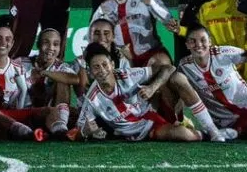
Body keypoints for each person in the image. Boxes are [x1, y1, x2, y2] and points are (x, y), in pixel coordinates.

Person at [74, 43, 230, 142]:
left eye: (104, 65)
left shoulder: (128, 75)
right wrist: (85, 131)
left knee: (178, 79)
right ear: (90, 72)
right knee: (183, 134)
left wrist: (152, 87)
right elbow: (77, 131)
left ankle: (212, 131)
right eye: (96, 67)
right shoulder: (92, 98)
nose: (102, 70)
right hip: (138, 133)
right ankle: (195, 129)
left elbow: (169, 68)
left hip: (152, 116)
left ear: (112, 64)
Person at [0, 16, 49, 142]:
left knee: (48, 111)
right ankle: (25, 132)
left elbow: (21, 107)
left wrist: (24, 90)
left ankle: (60, 131)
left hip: (13, 115)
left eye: (8, 39)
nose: (3, 43)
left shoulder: (18, 68)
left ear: (12, 43)